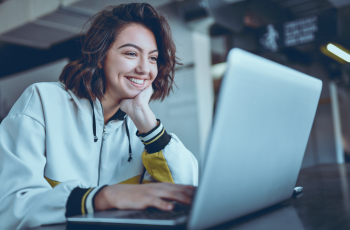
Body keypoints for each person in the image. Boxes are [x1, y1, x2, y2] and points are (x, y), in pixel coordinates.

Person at [0, 3, 198, 229]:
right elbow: (10, 207)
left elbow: (185, 195)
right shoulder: (42, 100)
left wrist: (147, 123)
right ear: (101, 55)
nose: (145, 69)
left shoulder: (143, 127)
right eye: (131, 53)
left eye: (153, 58)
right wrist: (101, 198)